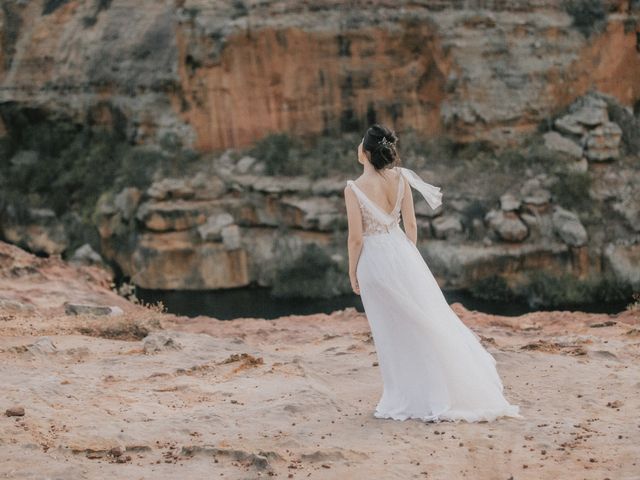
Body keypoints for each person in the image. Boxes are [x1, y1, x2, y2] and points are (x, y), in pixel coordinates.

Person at [343, 123, 523, 423]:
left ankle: (406, 397)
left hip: (374, 261)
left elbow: (356, 238)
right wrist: (407, 257)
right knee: (423, 321)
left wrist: (352, 271)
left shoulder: (354, 188)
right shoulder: (401, 178)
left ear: (365, 152)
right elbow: (411, 226)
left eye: (360, 142)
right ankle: (433, 390)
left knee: (391, 332)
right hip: (403, 253)